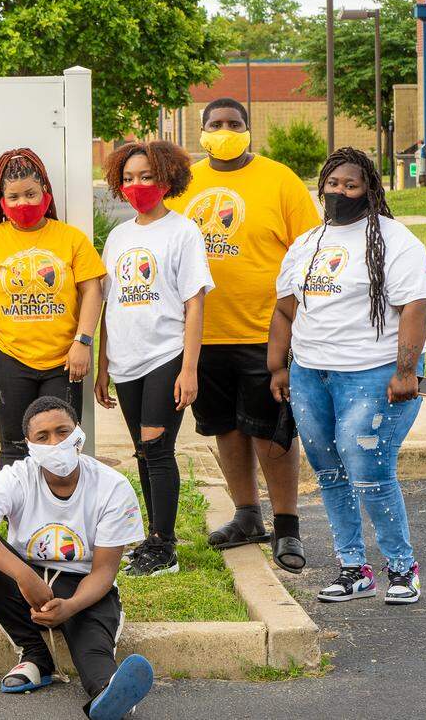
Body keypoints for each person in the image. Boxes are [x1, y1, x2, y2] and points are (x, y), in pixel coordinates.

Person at [268, 148, 426, 605]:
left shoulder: (394, 240)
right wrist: (278, 366)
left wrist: (406, 371)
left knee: (369, 469)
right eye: (333, 183)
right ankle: (352, 569)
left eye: (351, 185)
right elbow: (284, 309)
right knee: (328, 471)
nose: (339, 192)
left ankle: (401, 569)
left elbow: (417, 305)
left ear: (369, 190)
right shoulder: (307, 243)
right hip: (310, 373)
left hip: (373, 374)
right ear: (321, 185)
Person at [165, 97, 320, 574]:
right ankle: (247, 516)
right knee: (226, 427)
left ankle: (287, 526)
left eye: (234, 123)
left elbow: (311, 249)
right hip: (203, 334)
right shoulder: (184, 184)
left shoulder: (279, 180)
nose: (225, 130)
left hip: (265, 332)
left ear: (249, 129)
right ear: (201, 130)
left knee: (272, 430)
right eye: (216, 123)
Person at [0, 397, 152, 720]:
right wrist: (23, 575)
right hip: (27, 582)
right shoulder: (18, 476)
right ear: (29, 444)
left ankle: (109, 693)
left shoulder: (112, 486)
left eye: (63, 431)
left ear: (79, 434)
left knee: (93, 651)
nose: (55, 443)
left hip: (83, 587)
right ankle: (34, 655)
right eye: (42, 437)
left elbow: (103, 572)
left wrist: (70, 606)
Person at [0, 148, 106, 469]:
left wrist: (83, 342)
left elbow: (93, 290)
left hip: (64, 361)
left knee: (61, 449)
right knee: (14, 450)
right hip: (9, 360)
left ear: (45, 192)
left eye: (31, 194)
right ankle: (16, 505)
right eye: (14, 197)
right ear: (1, 200)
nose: (23, 204)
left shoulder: (70, 238)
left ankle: (60, 504)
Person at [95, 141, 212, 576]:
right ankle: (152, 537)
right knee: (143, 452)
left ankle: (165, 547)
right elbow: (108, 305)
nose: (137, 185)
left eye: (146, 176)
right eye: (128, 178)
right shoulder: (119, 236)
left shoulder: (183, 232)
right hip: (125, 360)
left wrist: (189, 368)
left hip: (167, 354)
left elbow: (195, 304)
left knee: (158, 449)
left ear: (166, 178)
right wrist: (103, 365)